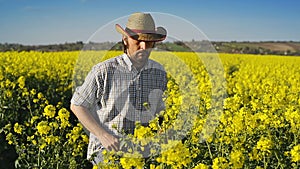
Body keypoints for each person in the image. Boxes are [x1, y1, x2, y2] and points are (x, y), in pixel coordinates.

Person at [70, 12, 168, 164]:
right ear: (125, 39)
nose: (143, 46)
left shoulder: (159, 72)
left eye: (148, 42)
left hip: (142, 153)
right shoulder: (104, 70)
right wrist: (103, 135)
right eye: (137, 40)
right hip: (107, 152)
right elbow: (77, 105)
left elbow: (160, 111)